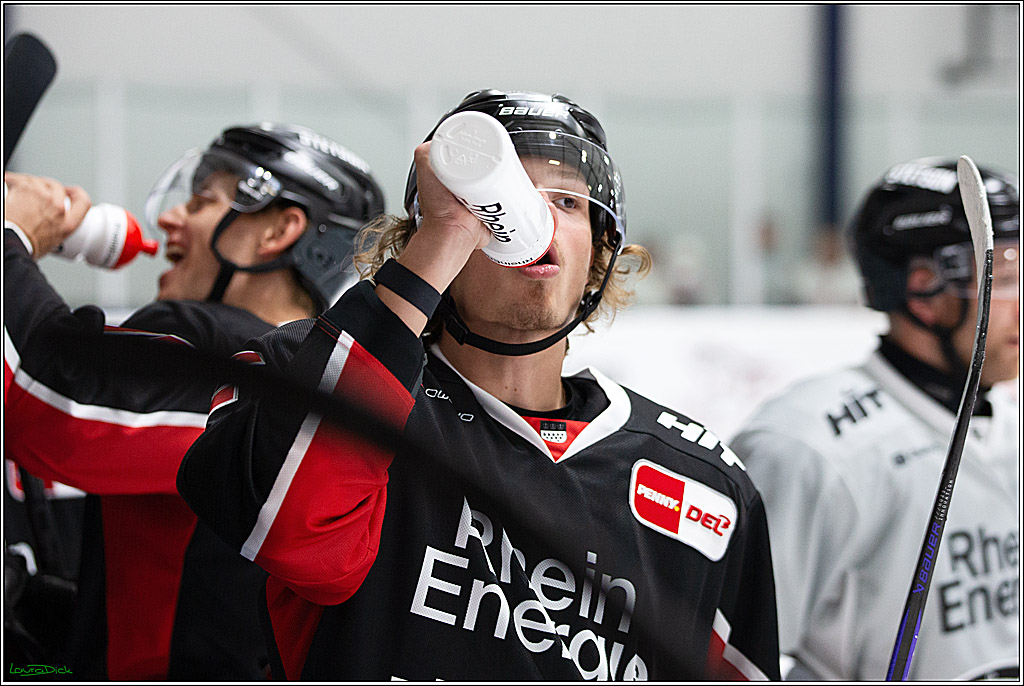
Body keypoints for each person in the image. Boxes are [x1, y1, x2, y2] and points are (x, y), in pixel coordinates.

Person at [177, 89, 781, 681]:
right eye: (504, 197)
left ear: (600, 255)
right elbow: (293, 532)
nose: (537, 219)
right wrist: (441, 238)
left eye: (567, 202)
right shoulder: (301, 369)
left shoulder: (706, 484)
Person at [3, 123, 385, 679]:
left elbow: (45, 400)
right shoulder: (332, 384)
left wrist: (12, 234)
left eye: (205, 201)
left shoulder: (211, 343)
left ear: (279, 230)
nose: (168, 219)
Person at [730, 158, 1020, 680]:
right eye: (1006, 277)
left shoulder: (1010, 422)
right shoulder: (807, 449)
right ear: (925, 290)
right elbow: (733, 663)